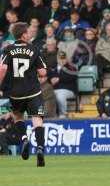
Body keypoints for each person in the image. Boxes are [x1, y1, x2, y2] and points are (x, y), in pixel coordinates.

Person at [0, 22, 47, 166]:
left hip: (15, 93)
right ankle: (39, 148)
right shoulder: (34, 49)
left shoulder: (8, 49)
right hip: (34, 92)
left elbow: (2, 68)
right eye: (28, 31)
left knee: (18, 117)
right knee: (37, 119)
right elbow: (43, 72)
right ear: (23, 35)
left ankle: (24, 139)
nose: (31, 33)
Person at [48, 51, 77, 118]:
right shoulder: (52, 67)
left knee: (60, 94)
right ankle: (50, 114)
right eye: (60, 58)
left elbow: (72, 76)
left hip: (69, 90)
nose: (62, 60)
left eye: (63, 58)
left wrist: (59, 79)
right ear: (57, 59)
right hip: (54, 90)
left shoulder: (71, 67)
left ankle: (63, 114)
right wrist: (51, 79)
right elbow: (48, 76)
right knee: (46, 94)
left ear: (66, 59)